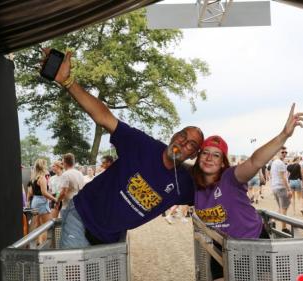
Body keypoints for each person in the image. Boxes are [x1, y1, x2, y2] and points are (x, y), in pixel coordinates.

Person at [42, 49, 205, 248]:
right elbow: (104, 117)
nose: (182, 143)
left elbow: (218, 188)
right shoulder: (142, 145)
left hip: (112, 237)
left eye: (191, 145)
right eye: (182, 135)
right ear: (174, 135)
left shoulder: (184, 183)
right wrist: (68, 82)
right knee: (72, 278)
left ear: (194, 154)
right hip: (83, 218)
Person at [192, 104, 303, 281]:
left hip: (252, 242)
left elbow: (255, 161)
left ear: (223, 161)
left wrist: (284, 135)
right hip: (221, 248)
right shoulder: (194, 184)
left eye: (216, 155)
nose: (209, 158)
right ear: (199, 158)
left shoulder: (230, 178)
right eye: (205, 153)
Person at [30, 159, 58, 243]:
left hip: (35, 201)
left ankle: (35, 243)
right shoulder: (42, 178)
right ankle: (42, 245)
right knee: (46, 225)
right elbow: (44, 193)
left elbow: (31, 192)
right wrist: (54, 199)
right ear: (43, 166)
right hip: (41, 202)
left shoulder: (34, 178)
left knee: (36, 224)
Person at [270, 148, 292, 233]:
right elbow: (283, 178)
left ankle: (272, 221)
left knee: (280, 207)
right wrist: (289, 189)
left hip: (275, 187)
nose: (284, 153)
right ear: (278, 153)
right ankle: (284, 228)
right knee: (284, 209)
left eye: (286, 152)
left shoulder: (274, 163)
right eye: (282, 152)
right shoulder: (280, 163)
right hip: (281, 188)